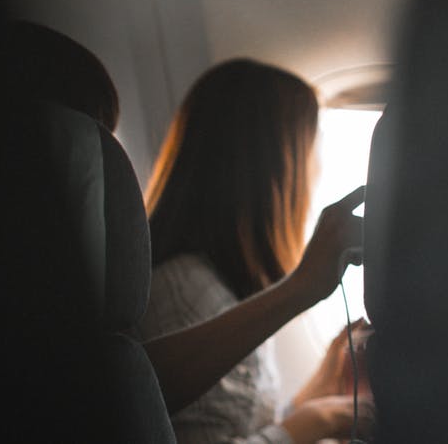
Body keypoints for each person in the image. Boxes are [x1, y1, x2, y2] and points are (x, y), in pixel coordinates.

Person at [138, 59, 374, 444]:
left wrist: (316, 393)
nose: (314, 174)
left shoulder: (217, 284)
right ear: (271, 172)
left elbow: (243, 427)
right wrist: (324, 418)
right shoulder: (186, 293)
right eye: (309, 155)